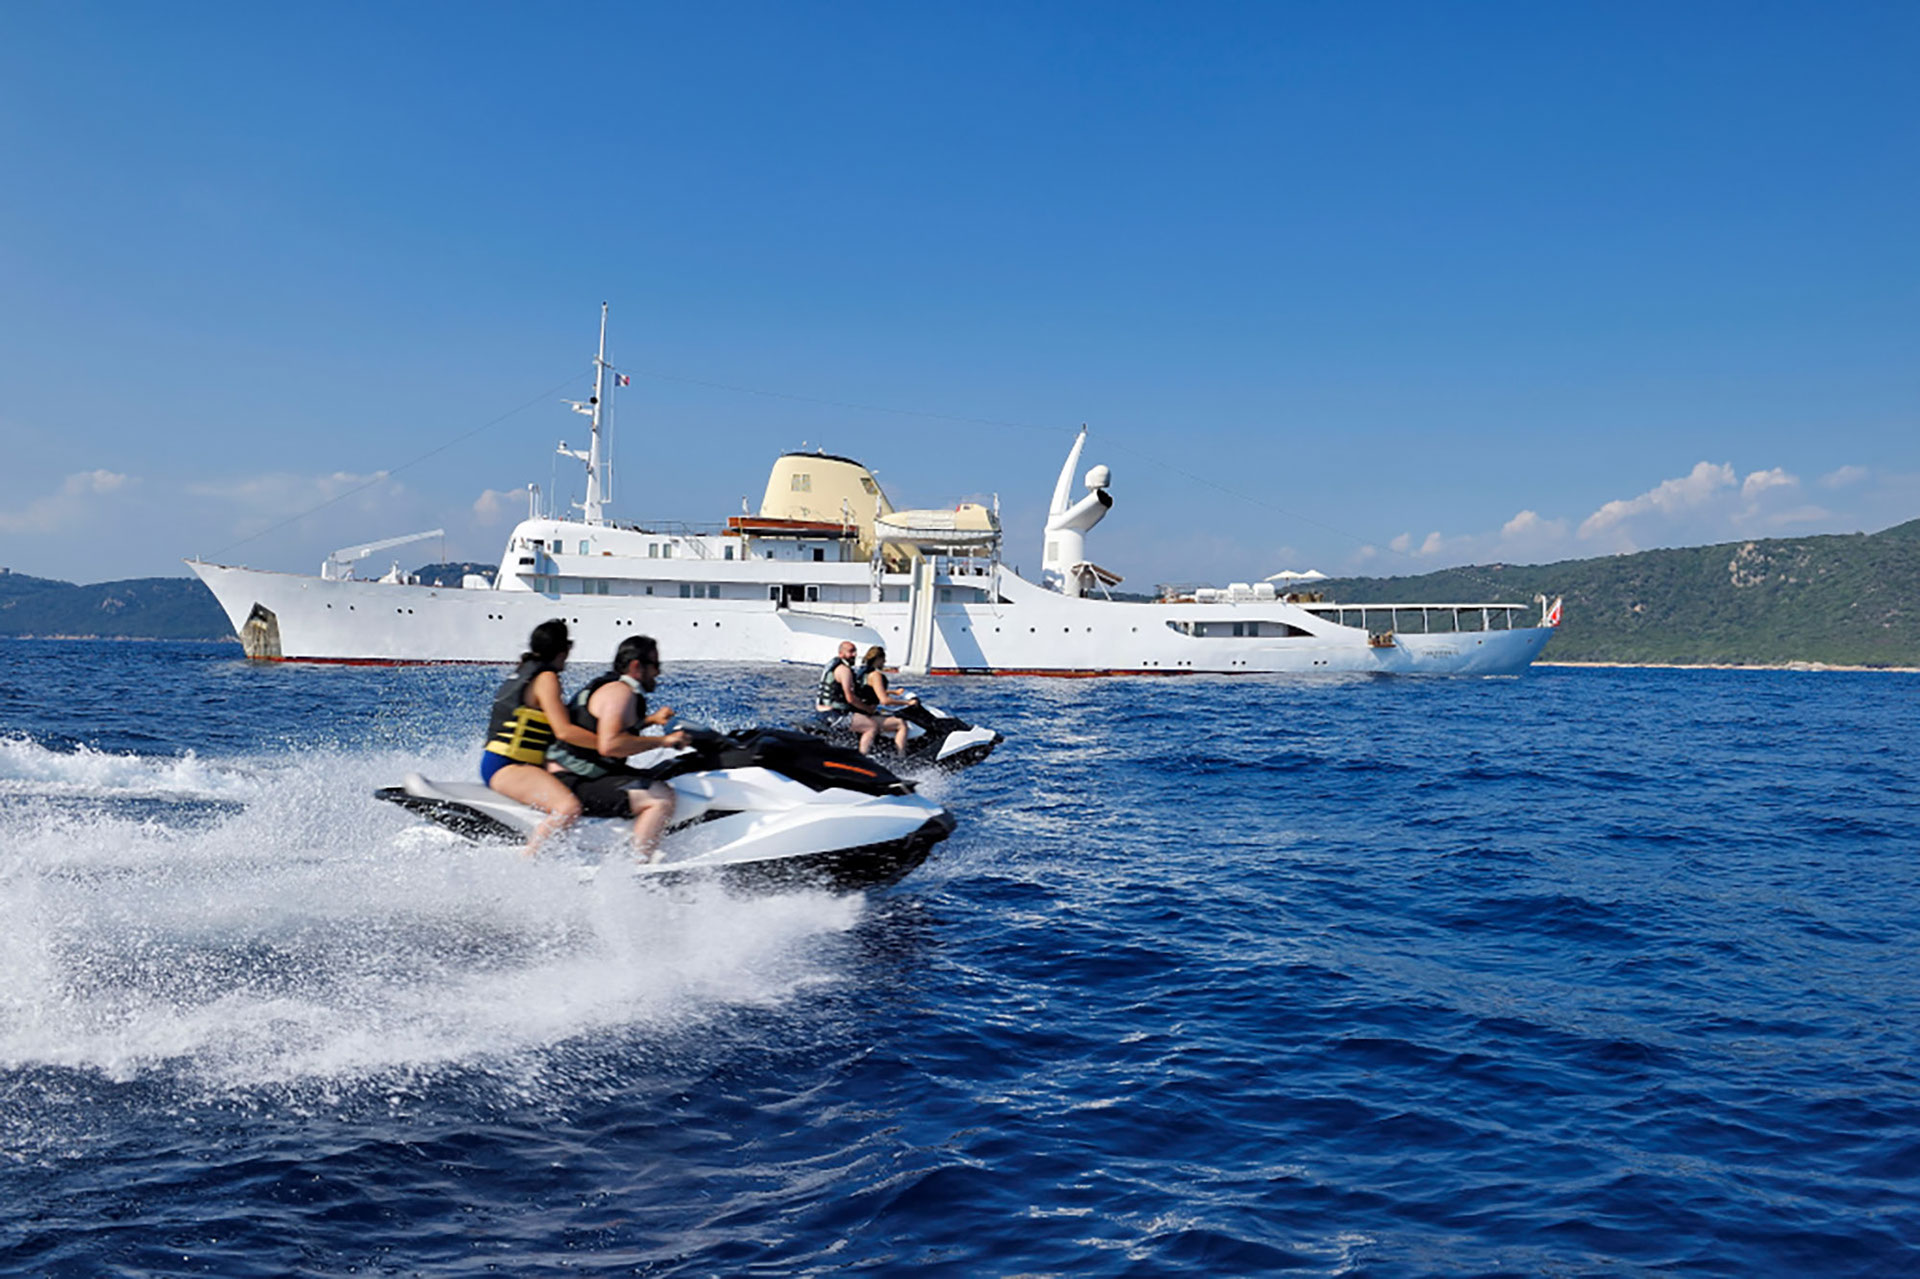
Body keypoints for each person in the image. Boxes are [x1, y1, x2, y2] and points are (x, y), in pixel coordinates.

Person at [545, 634, 691, 861]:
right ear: (636, 666)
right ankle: (636, 868)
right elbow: (610, 745)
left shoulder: (613, 688)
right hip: (573, 780)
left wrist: (651, 720)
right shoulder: (620, 693)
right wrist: (664, 741)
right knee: (660, 797)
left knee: (663, 775)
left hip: (579, 774)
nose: (658, 672)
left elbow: (607, 726)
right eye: (655, 665)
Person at [480, 619, 599, 855]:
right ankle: (528, 867)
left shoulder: (525, 671)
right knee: (567, 807)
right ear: (563, 650)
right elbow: (563, 730)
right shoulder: (546, 678)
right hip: (509, 766)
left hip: (503, 762)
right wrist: (605, 745)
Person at [817, 639, 908, 755]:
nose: (854, 654)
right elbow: (850, 698)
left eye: (855, 651)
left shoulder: (843, 669)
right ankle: (863, 758)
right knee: (871, 727)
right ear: (841, 654)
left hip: (825, 712)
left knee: (873, 720)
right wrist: (868, 709)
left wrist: (893, 692)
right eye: (850, 652)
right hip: (836, 714)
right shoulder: (845, 671)